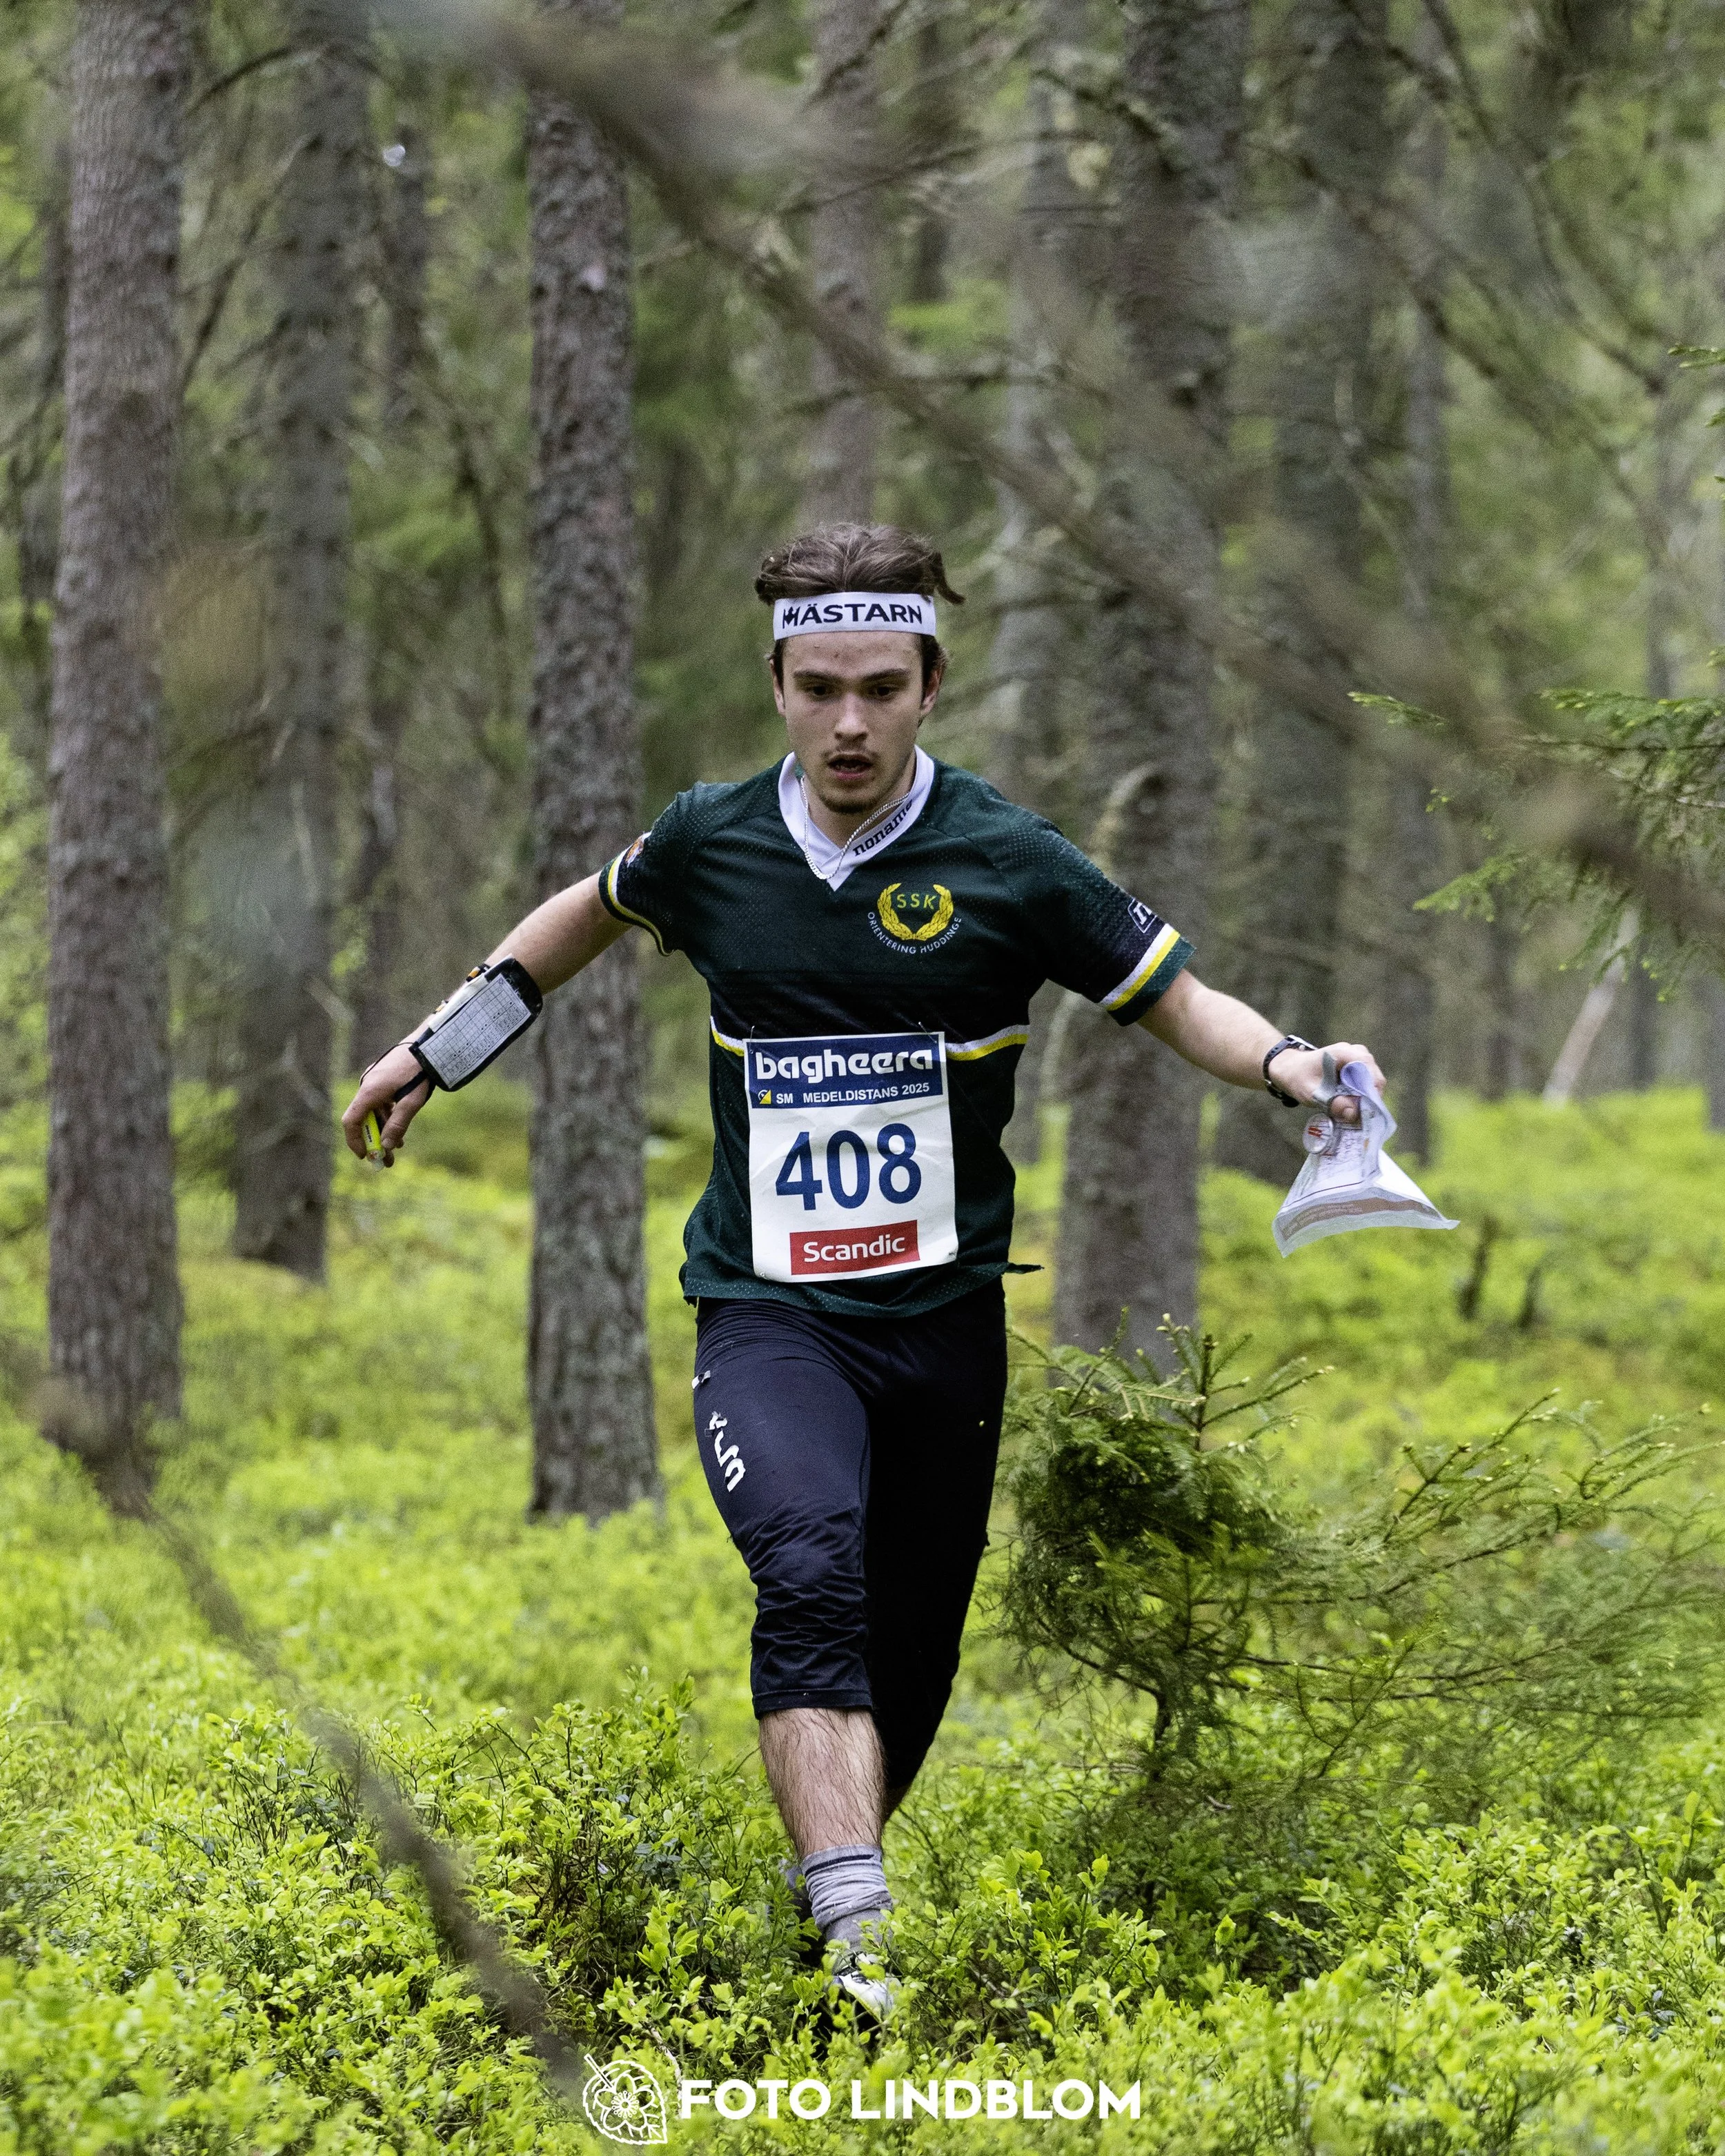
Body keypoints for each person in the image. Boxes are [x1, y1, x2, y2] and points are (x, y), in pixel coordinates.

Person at [342, 522, 1384, 2020]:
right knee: (807, 1562)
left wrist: (1292, 1062)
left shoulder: (1008, 859)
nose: (846, 721)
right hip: (767, 1311)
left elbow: (1175, 995)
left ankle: (823, 1898)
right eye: (817, 686)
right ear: (775, 682)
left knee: (909, 1649)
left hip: (944, 1326)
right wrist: (435, 1048)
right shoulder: (711, 840)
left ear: (927, 686)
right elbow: (584, 912)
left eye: (877, 688)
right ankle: (861, 1946)